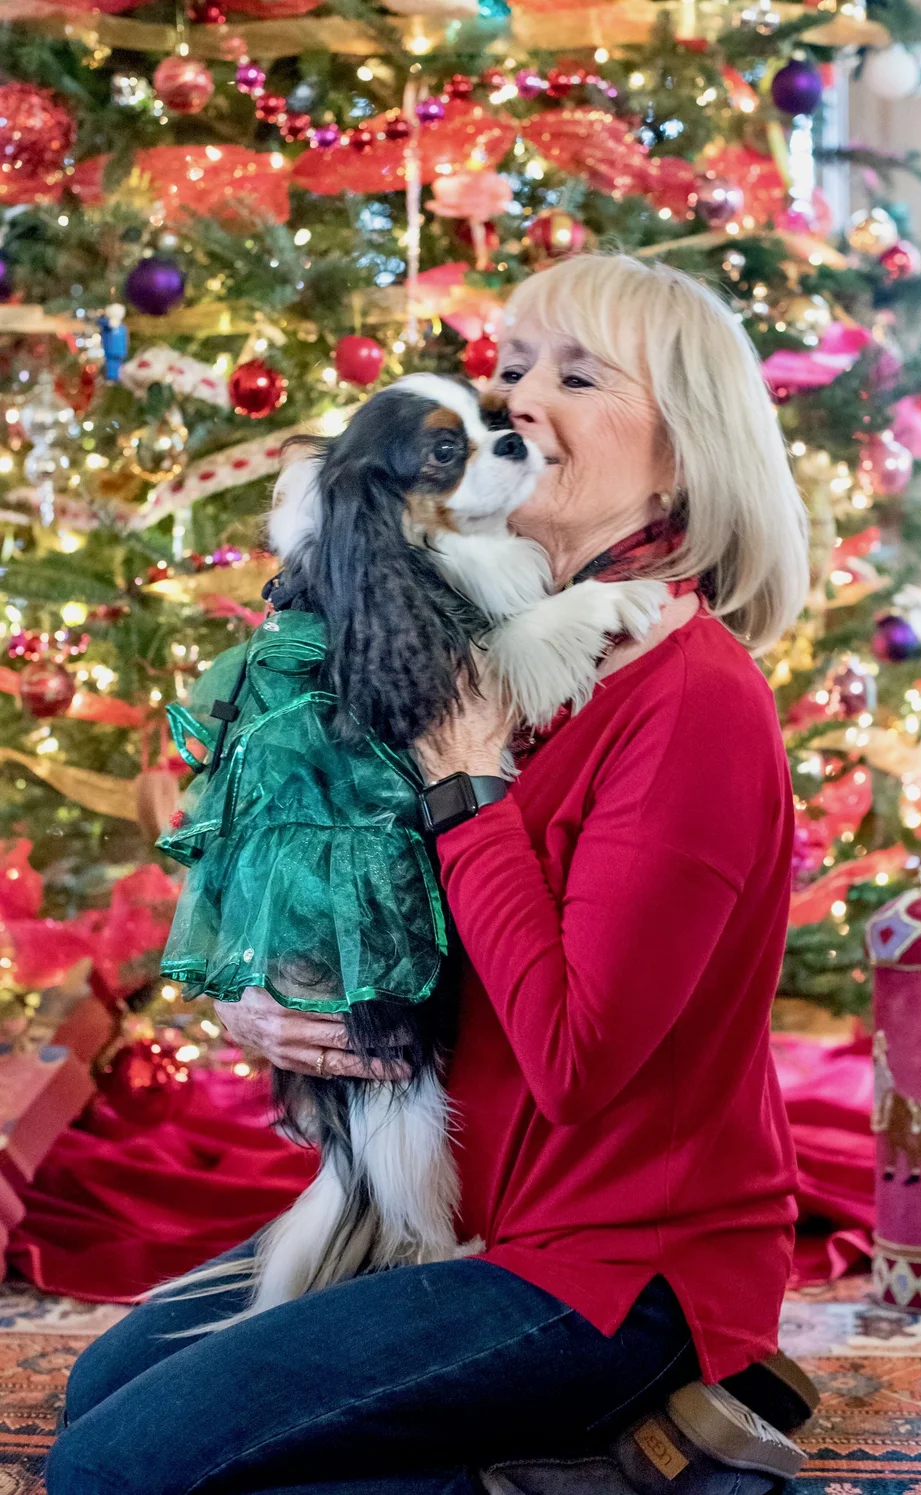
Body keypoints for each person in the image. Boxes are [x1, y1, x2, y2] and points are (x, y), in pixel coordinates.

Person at [47, 254, 810, 1495]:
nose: (518, 399)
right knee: (102, 1390)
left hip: (609, 1266)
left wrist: (465, 785)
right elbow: (402, 932)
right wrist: (277, 1001)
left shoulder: (693, 699)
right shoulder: (496, 656)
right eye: (514, 367)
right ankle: (577, 1463)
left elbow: (574, 1059)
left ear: (680, 456)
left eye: (577, 376)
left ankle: (637, 1468)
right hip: (452, 1222)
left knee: (114, 1472)